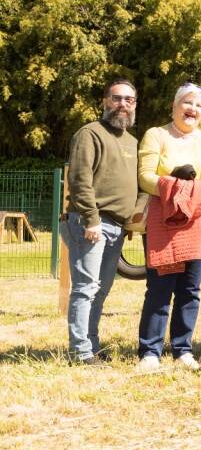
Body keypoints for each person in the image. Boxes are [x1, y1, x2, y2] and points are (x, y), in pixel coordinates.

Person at [136, 82, 201, 372]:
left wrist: (199, 197)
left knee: (191, 290)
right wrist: (179, 193)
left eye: (198, 105)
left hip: (199, 220)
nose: (192, 109)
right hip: (165, 222)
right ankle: (150, 351)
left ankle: (182, 349)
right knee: (160, 288)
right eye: (187, 103)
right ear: (175, 106)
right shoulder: (157, 135)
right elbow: (145, 177)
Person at [61, 78, 142, 365]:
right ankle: (80, 351)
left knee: (101, 289)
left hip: (117, 228)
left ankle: (92, 345)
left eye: (129, 100)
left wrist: (128, 223)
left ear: (134, 105)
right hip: (90, 223)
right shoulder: (90, 133)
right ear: (105, 101)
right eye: (117, 98)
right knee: (85, 287)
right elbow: (79, 180)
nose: (123, 104)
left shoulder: (132, 141)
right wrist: (91, 219)